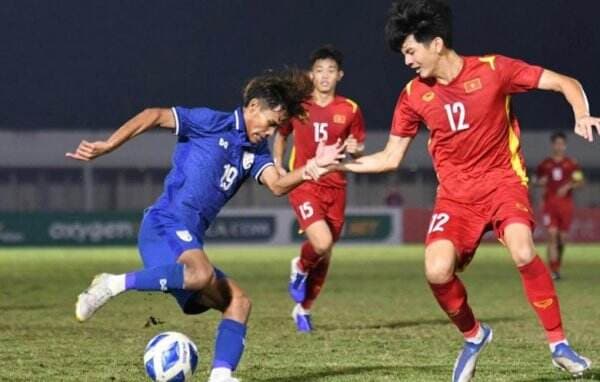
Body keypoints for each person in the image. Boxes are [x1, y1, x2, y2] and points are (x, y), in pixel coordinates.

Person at [337, 0, 598, 380]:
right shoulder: (413, 95)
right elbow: (390, 158)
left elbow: (564, 82)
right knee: (437, 270)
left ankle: (558, 345)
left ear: (436, 43)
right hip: (456, 197)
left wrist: (581, 112)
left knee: (524, 250)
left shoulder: (494, 70)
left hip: (502, 183)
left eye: (411, 51)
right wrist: (337, 165)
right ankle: (475, 336)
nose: (407, 60)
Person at [66, 69, 344, 382]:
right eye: (270, 124)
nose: (270, 133)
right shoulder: (212, 122)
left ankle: (221, 376)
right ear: (253, 107)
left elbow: (278, 185)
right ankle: (110, 284)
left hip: (187, 244)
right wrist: (108, 145)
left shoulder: (255, 152)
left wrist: (312, 168)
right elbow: (154, 115)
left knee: (239, 302)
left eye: (277, 128)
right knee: (201, 273)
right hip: (164, 225)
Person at [272, 45, 366, 332]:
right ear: (311, 75)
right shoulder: (299, 105)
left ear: (340, 75)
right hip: (306, 183)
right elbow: (280, 133)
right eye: (319, 71)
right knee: (321, 243)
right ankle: (299, 267)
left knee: (325, 252)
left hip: (336, 187)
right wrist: (278, 164)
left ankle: (303, 309)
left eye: (330, 71)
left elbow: (359, 148)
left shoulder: (350, 109)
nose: (325, 76)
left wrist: (355, 149)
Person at [536, 132, 584, 280]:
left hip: (566, 205)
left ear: (565, 145)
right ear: (553, 145)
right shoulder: (545, 164)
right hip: (549, 204)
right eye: (556, 144)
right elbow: (536, 180)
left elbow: (580, 182)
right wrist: (540, 183)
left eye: (561, 144)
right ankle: (553, 270)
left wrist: (569, 186)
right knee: (552, 235)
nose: (559, 147)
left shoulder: (571, 163)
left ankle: (557, 265)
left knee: (562, 239)